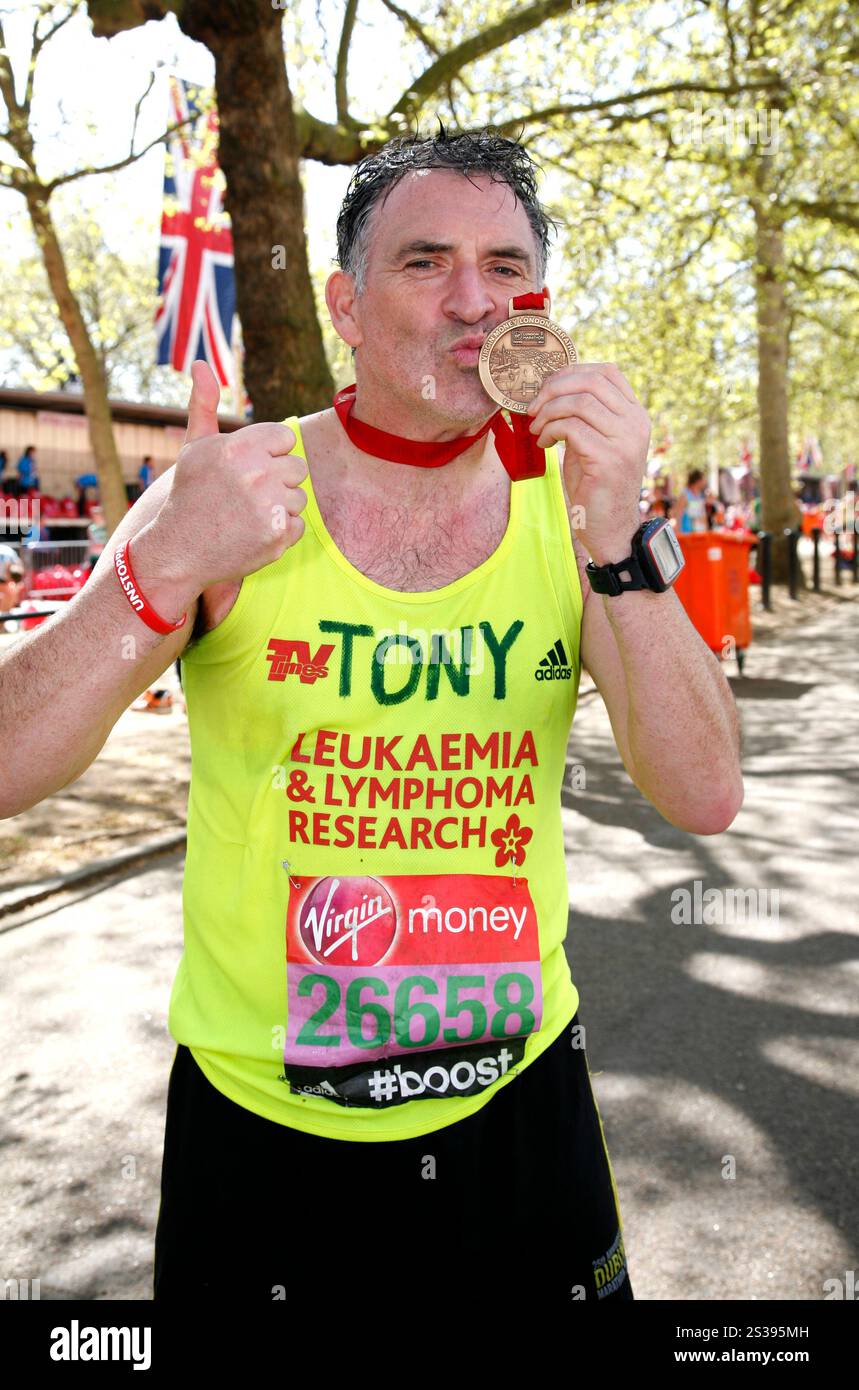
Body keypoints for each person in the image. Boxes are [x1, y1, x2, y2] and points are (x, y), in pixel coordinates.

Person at [0, 126, 743, 1311]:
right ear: (344, 304)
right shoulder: (231, 495)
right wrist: (163, 566)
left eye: (505, 268)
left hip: (519, 1102)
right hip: (264, 1126)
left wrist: (618, 540)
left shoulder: (574, 512)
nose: (471, 303)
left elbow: (704, 792)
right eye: (423, 262)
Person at [675, 467, 708, 533]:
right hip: (686, 534)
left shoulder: (699, 495)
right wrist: (678, 533)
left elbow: (702, 515)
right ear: (698, 481)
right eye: (703, 479)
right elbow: (678, 515)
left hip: (698, 534)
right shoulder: (684, 495)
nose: (705, 482)